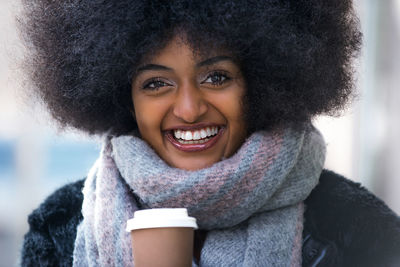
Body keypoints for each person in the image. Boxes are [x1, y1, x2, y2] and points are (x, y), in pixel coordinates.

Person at [19, 0, 400, 266]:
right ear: (124, 97)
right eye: (156, 83)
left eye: (216, 77)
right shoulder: (59, 228)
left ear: (262, 84)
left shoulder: (353, 227)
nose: (188, 109)